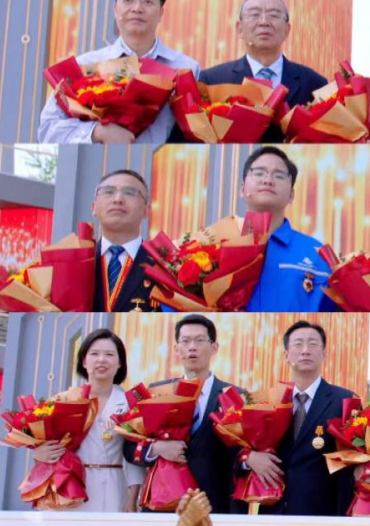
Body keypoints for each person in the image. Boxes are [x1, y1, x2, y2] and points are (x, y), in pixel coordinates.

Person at [38, 0, 199, 144]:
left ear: (160, 13)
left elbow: (195, 134)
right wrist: (96, 132)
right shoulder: (85, 65)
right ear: (115, 10)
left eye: (148, 2)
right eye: (128, 0)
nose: (137, 8)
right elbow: (47, 130)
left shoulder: (186, 68)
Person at [123, 315, 239, 514]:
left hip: (213, 506)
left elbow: (240, 454)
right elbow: (129, 446)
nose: (192, 347)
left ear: (214, 348)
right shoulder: (157, 393)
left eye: (200, 340)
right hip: (163, 504)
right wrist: (157, 448)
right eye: (185, 341)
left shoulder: (233, 396)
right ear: (176, 349)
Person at [248, 321, 356, 515]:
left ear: (324, 354)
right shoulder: (269, 400)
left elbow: (353, 459)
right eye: (298, 344)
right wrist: (249, 457)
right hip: (274, 510)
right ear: (286, 355)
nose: (305, 351)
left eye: (313, 344)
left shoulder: (345, 401)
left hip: (322, 512)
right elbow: (245, 446)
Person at [33, 329, 143, 512]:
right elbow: (43, 441)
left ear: (120, 363)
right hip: (70, 485)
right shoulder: (64, 400)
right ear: (84, 361)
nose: (101, 360)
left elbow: (134, 455)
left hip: (114, 486)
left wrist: (133, 497)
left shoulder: (129, 403)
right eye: (94, 354)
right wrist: (38, 453)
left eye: (109, 354)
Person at [197, 0, 327, 143]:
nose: (264, 22)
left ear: (287, 30)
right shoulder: (212, 80)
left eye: (273, 15)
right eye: (254, 14)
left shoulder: (314, 83)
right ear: (240, 29)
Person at [240, 146, 337, 312]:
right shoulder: (216, 247)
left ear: (291, 195)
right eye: (259, 173)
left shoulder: (318, 253)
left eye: (279, 176)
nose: (268, 180)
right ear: (242, 189)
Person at [90, 169, 158, 312]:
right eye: (108, 192)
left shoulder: (163, 265)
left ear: (146, 211)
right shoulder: (77, 263)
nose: (118, 199)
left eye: (129, 193)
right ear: (94, 208)